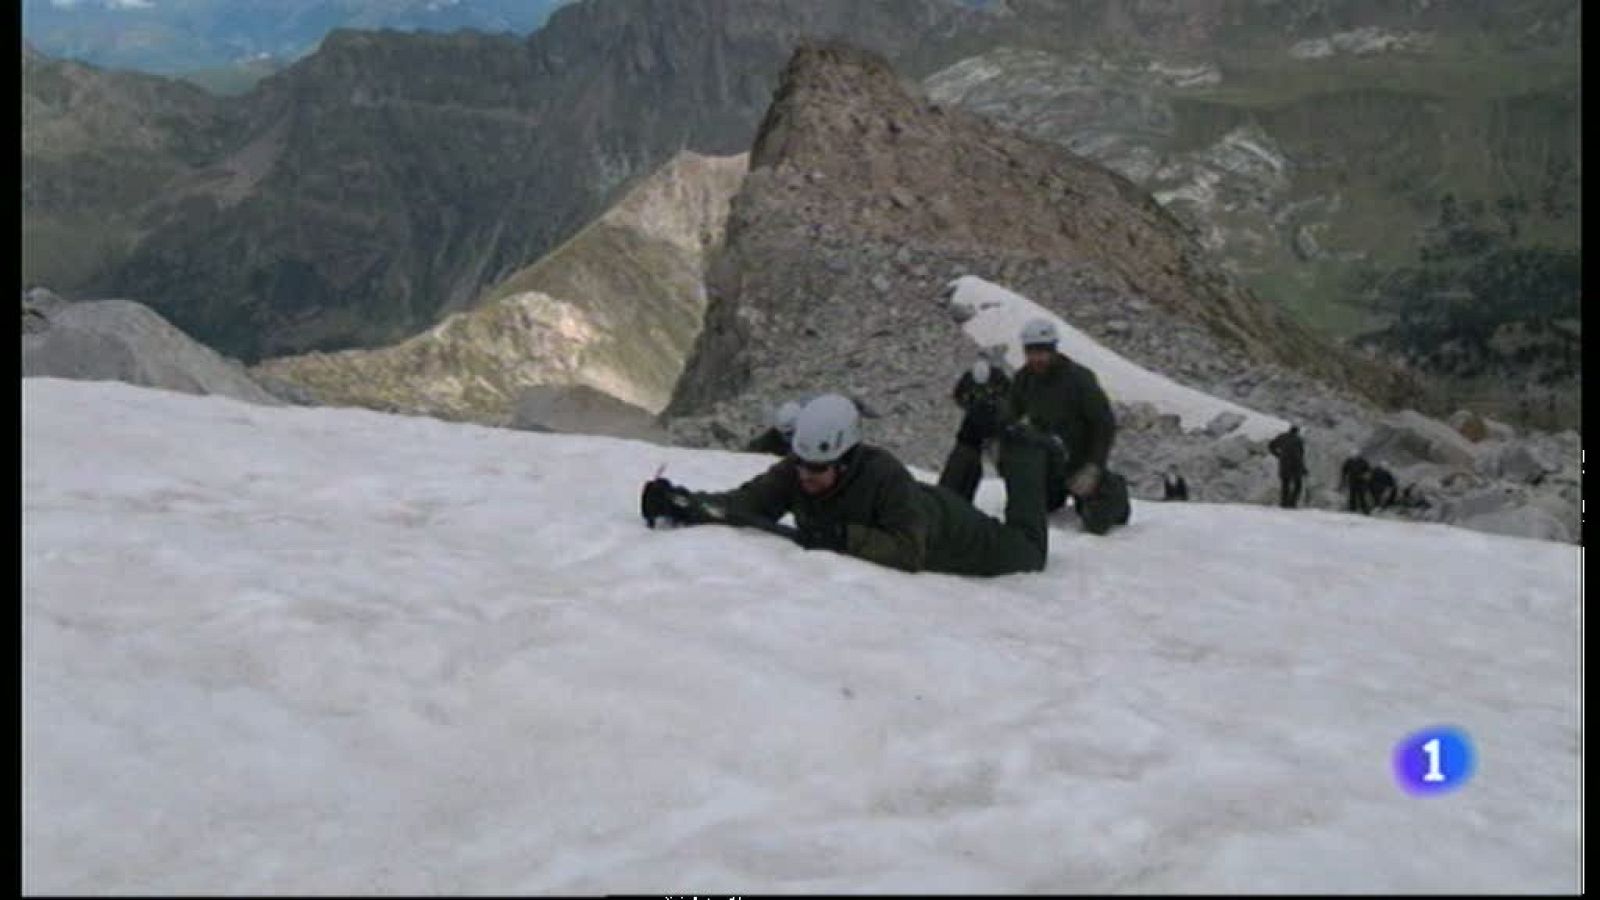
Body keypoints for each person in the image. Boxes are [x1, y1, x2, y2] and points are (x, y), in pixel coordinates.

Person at [642, 393, 1054, 577]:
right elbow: (747, 504)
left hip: (957, 535)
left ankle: (1026, 452)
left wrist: (843, 537)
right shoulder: (797, 468)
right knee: (943, 495)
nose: (805, 475)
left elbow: (910, 551)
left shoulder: (885, 474)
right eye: (801, 464)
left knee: (1030, 552)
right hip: (925, 505)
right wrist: (684, 502)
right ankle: (969, 442)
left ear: (846, 460)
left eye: (818, 469)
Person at [1002, 317, 1129, 535]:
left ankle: (1112, 489)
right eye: (1031, 352)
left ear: (1053, 350)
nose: (1037, 358)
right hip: (1047, 461)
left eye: (1042, 352)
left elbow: (1103, 425)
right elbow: (1009, 417)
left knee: (1097, 522)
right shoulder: (1024, 379)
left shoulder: (1079, 380)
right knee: (1031, 510)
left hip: (1079, 461)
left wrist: (1093, 467)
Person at [935, 357, 1013, 503]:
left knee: (1004, 465)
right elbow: (958, 395)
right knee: (964, 466)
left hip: (996, 430)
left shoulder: (999, 379)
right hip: (972, 432)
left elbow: (1011, 399)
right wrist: (969, 404)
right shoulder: (968, 380)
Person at [1266, 425, 1307, 509]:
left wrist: (1278, 455)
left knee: (1285, 484)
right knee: (1298, 485)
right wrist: (1303, 468)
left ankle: (1284, 503)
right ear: (1297, 432)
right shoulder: (1298, 440)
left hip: (1284, 464)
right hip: (1295, 466)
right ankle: (1292, 503)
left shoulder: (1282, 437)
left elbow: (1271, 445)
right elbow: (1299, 456)